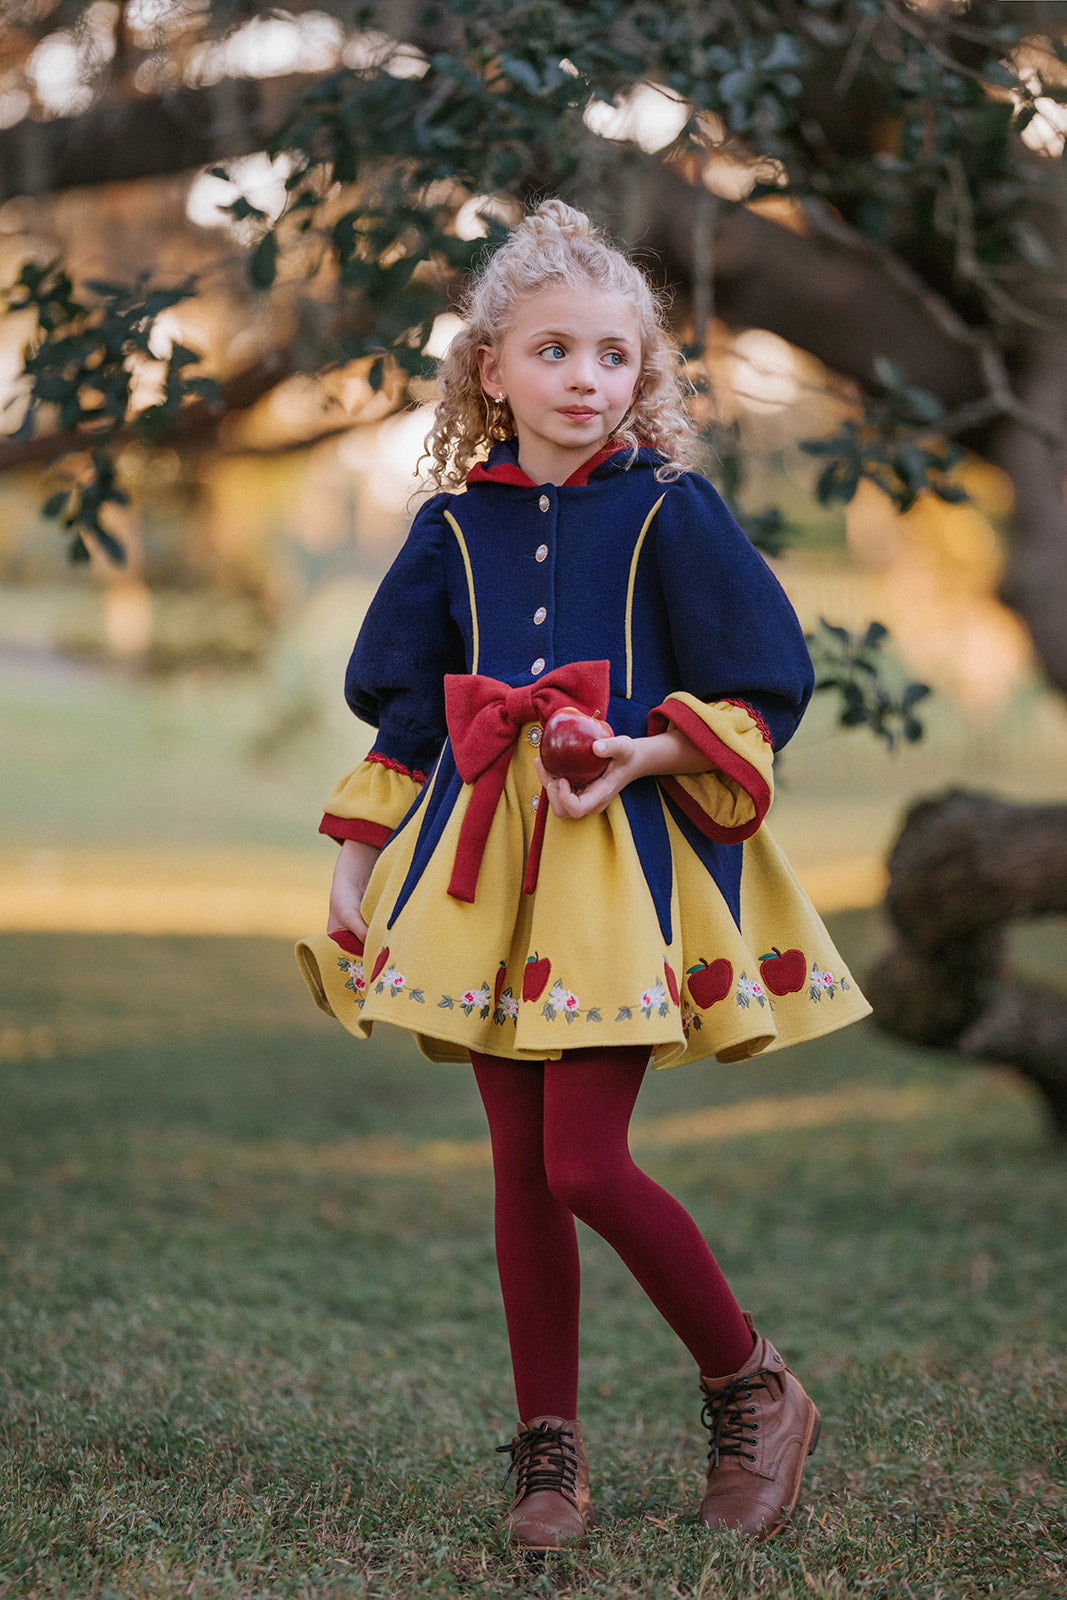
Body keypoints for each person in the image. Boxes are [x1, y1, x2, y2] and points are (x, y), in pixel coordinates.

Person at [296, 200, 871, 1550]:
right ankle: (548, 1457)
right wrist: (360, 856)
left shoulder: (671, 508)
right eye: (553, 351)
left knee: (584, 1163)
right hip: (485, 868)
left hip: (625, 866)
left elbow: (760, 685)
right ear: (490, 367)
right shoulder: (450, 529)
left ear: (642, 378)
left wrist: (641, 752)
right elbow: (410, 716)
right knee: (515, 1166)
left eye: (615, 358)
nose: (586, 380)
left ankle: (755, 1387)